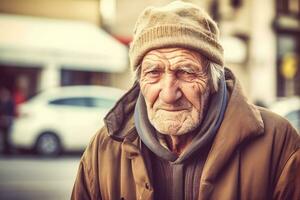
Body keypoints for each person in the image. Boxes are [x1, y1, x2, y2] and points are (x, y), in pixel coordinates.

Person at [72, 1, 300, 199]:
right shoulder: (103, 150)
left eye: (186, 72)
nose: (169, 94)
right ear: (139, 80)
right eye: (153, 72)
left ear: (213, 81)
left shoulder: (278, 144)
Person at [0, 87, 15, 154]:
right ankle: (3, 149)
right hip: (2, 121)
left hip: (8, 120)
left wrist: (7, 117)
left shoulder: (10, 102)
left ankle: (8, 150)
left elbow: (12, 111)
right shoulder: (1, 102)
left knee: (8, 137)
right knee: (2, 136)